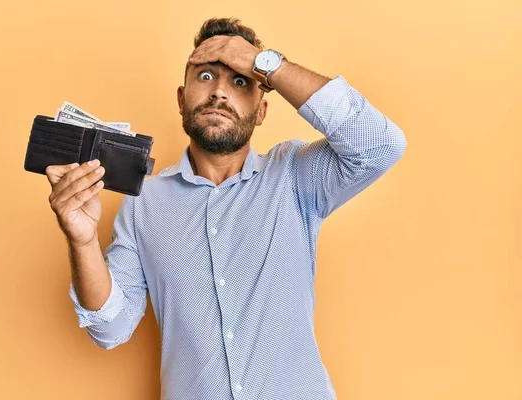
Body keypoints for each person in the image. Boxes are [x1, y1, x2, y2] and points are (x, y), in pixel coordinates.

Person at [45, 17, 407, 400]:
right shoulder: (142, 204)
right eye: (206, 76)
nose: (220, 92)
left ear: (262, 111)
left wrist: (267, 63)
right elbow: (110, 328)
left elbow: (380, 146)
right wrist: (82, 241)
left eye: (239, 81)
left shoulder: (295, 175)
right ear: (182, 99)